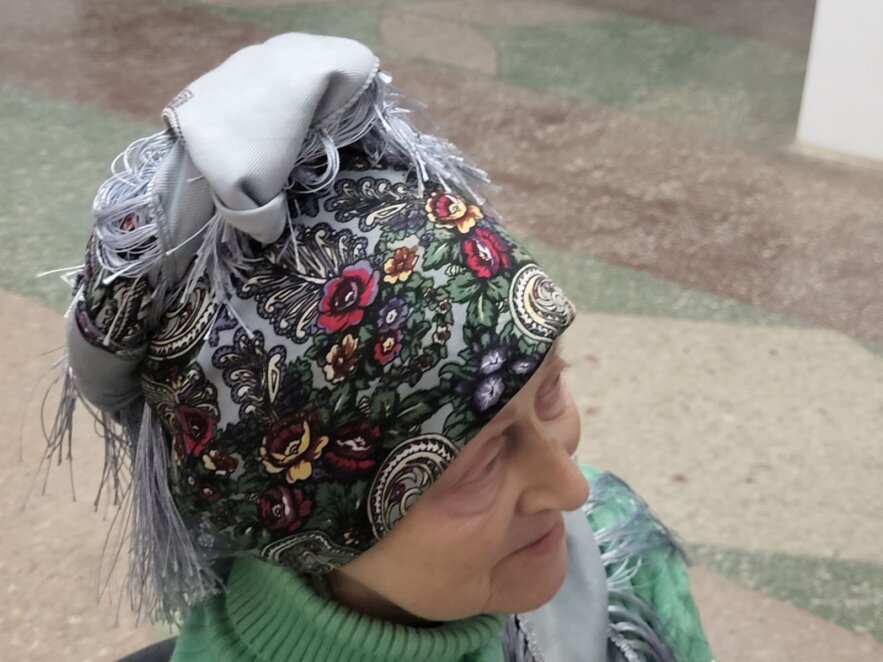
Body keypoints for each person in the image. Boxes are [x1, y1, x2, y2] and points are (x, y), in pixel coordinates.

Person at [47, 33, 714, 661]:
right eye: (480, 467)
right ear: (301, 525)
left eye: (549, 392)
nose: (571, 489)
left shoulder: (618, 564)